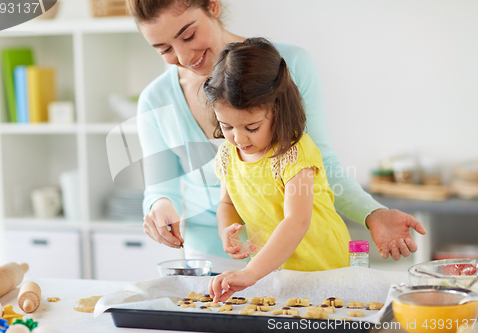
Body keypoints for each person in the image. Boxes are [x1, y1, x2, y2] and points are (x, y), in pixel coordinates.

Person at [129, 0, 426, 273]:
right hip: (213, 255)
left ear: (212, 7)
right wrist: (160, 206)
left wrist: (371, 213)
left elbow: (320, 163)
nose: (183, 56)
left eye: (188, 35)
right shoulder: (155, 100)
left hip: (297, 254)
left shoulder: (289, 66)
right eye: (163, 49)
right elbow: (160, 187)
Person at [206, 37, 353, 300]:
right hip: (274, 271)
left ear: (278, 109)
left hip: (323, 267)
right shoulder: (228, 154)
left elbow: (297, 221)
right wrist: (227, 231)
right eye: (227, 126)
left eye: (251, 127)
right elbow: (227, 205)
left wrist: (251, 272)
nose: (239, 138)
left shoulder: (294, 152)